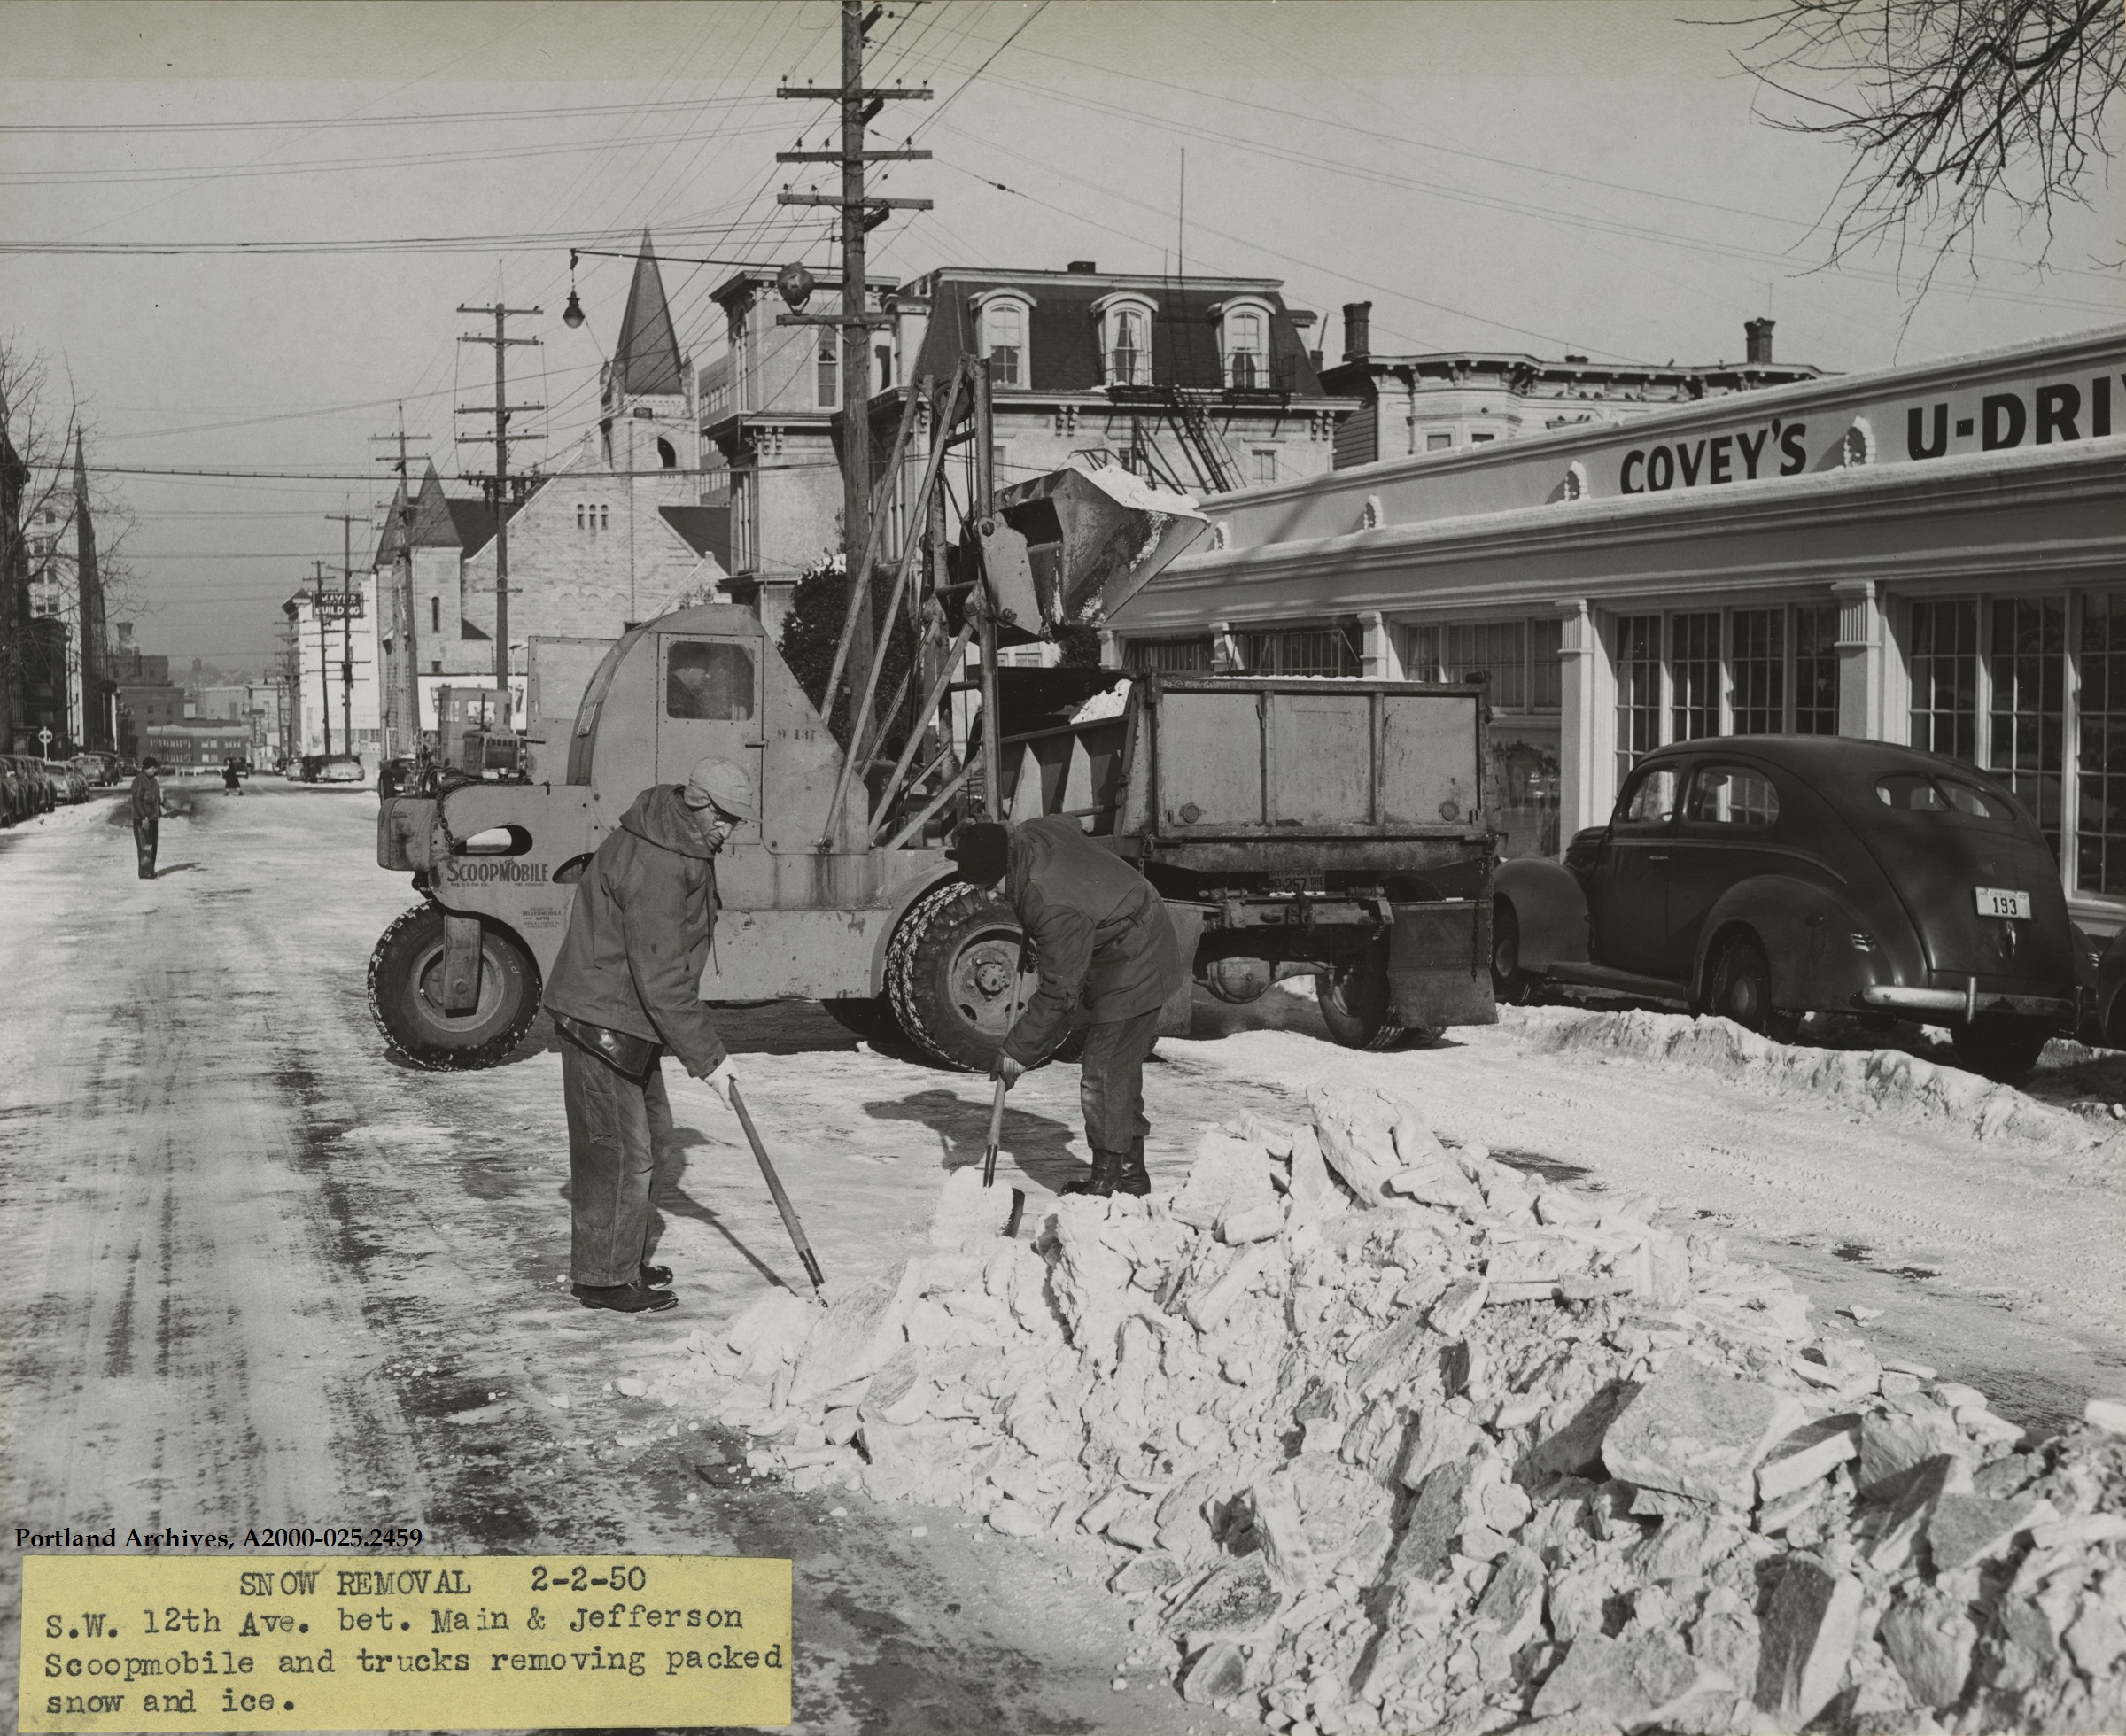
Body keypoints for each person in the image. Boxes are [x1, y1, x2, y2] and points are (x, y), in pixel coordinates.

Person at [543, 756, 749, 1313]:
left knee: (654, 1141)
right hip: (602, 1018)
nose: (729, 830)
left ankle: (621, 1255)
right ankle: (603, 1279)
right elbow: (662, 975)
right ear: (698, 802)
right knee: (619, 1153)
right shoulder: (661, 861)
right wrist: (710, 1060)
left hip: (628, 1018)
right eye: (724, 818)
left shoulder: (682, 843)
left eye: (737, 821)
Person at [954, 816, 1183, 1198]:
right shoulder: (1029, 833)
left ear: (1006, 865)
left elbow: (1060, 995)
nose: (991, 896)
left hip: (1138, 956)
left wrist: (1017, 1051)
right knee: (1118, 1070)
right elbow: (1069, 824)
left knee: (1104, 1068)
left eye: (991, 886)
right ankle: (1130, 1176)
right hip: (1117, 931)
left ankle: (1108, 1181)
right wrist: (1042, 937)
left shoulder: (1052, 906)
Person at [130, 756, 165, 879]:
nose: (154, 769)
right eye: (152, 767)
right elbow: (137, 801)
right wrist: (144, 817)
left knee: (153, 845)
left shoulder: (152, 780)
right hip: (143, 819)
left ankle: (150, 870)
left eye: (155, 767)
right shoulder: (140, 780)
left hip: (153, 818)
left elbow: (155, 798)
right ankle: (145, 873)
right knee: (146, 846)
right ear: (146, 768)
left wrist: (163, 801)